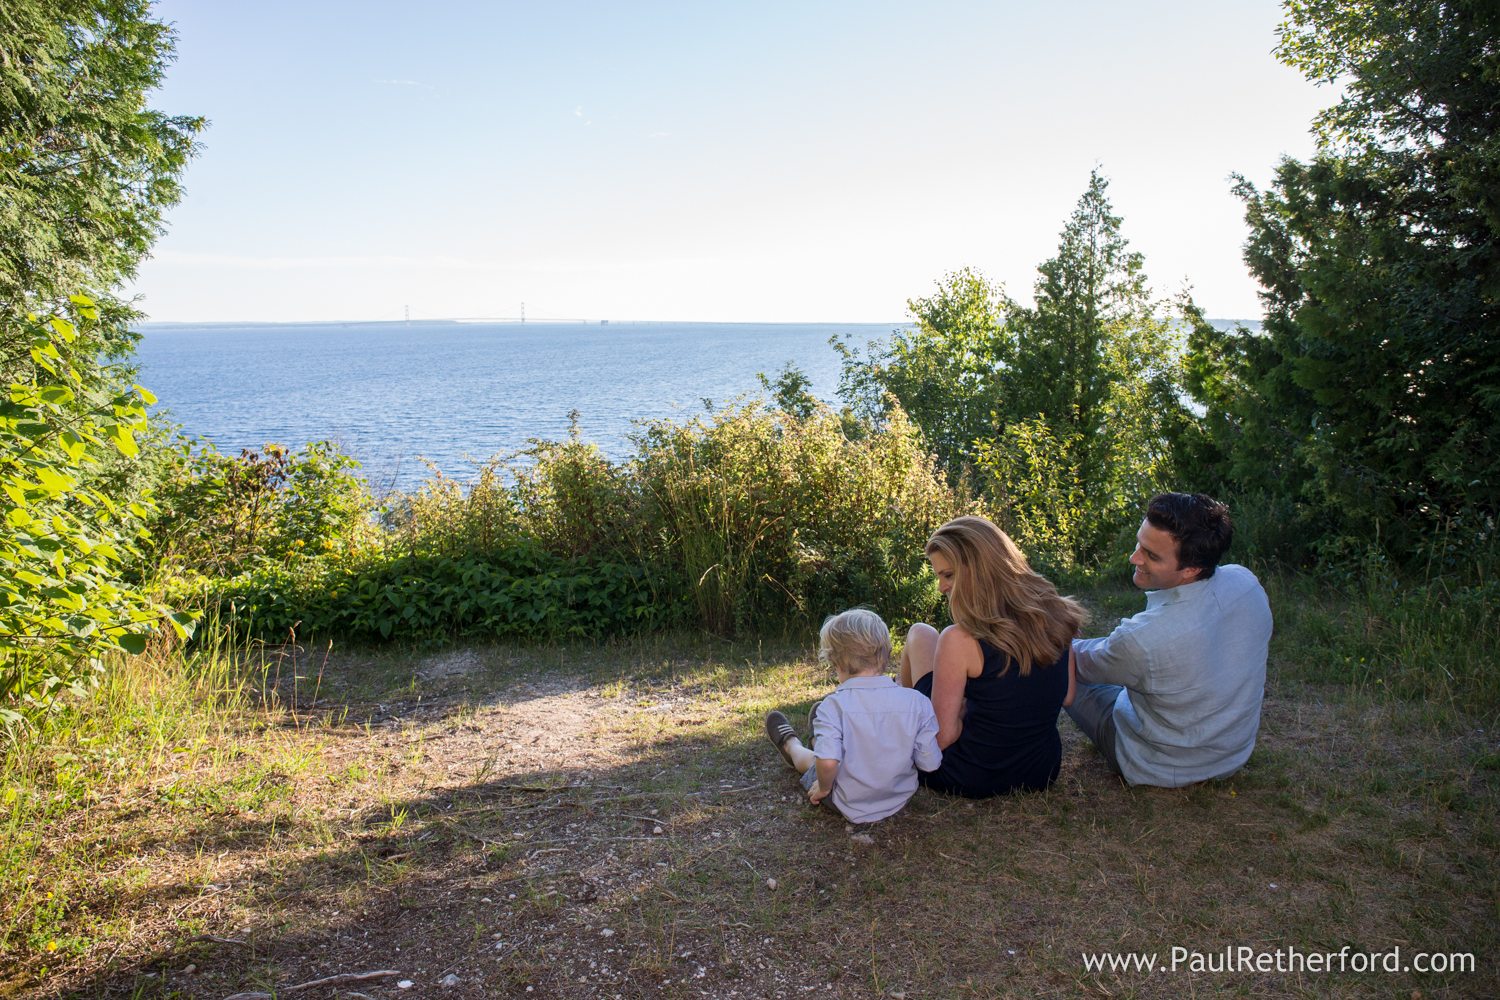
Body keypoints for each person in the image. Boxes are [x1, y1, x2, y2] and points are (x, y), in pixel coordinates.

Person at [1065, 492, 1273, 787]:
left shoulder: (1142, 640)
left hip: (1157, 765)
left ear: (1190, 570)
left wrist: (1057, 638)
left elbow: (1076, 662)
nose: (1134, 557)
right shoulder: (1247, 584)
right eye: (1140, 543)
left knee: (1059, 660)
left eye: (1151, 555)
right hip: (1231, 755)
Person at [899, 516, 1085, 797]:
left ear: (978, 570)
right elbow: (1067, 695)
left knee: (919, 633)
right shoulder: (1061, 614)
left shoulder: (959, 639)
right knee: (926, 637)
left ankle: (892, 723)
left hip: (969, 774)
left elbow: (943, 737)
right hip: (1040, 770)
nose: (941, 588)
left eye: (948, 575)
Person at [765, 608, 942, 823]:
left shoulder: (834, 707)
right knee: (829, 739)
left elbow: (829, 764)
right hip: (899, 797)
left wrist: (822, 787)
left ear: (836, 663)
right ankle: (821, 737)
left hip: (847, 801)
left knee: (815, 761)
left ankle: (791, 746)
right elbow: (930, 763)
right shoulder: (917, 702)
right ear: (886, 653)